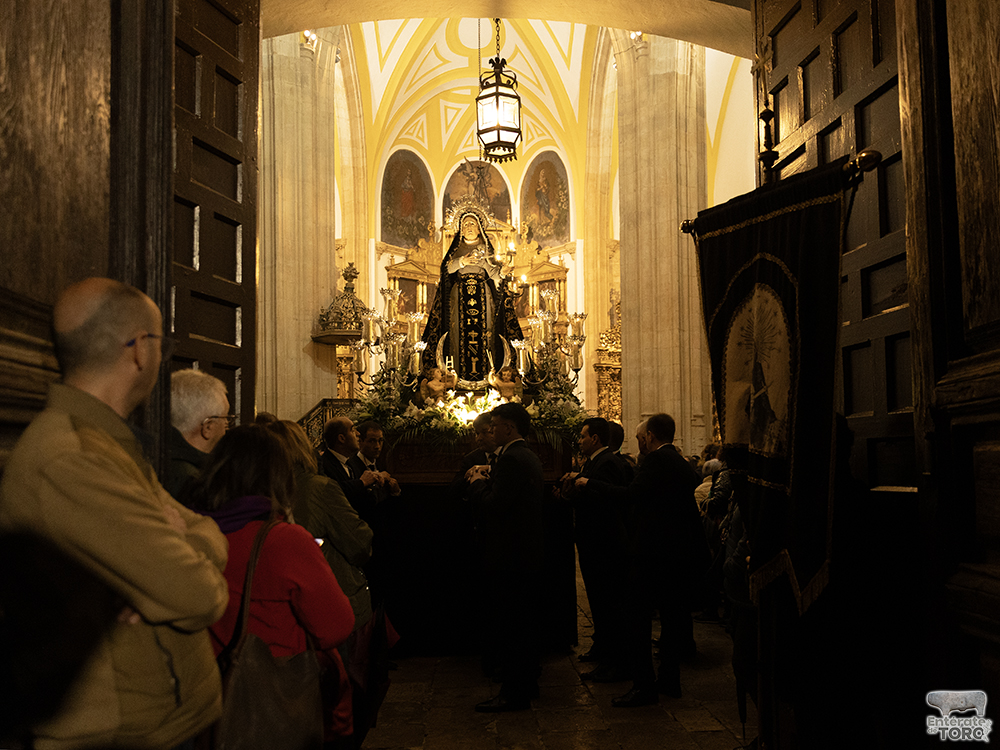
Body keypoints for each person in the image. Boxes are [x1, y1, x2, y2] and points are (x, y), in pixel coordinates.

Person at [0, 277, 229, 749]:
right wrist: (181, 554)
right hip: (123, 735)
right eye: (162, 344)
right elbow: (199, 594)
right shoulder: (73, 457)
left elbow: (202, 530)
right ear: (141, 349)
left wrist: (172, 554)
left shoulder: (106, 442)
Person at [185, 425, 356, 745]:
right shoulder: (283, 540)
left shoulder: (190, 530)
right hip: (274, 698)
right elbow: (336, 626)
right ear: (278, 476)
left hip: (205, 695)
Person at [577, 413, 706, 706]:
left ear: (650, 436)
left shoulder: (657, 462)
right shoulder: (683, 464)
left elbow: (630, 495)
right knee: (672, 622)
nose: (639, 444)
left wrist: (589, 484)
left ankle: (644, 686)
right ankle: (670, 680)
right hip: (678, 554)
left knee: (636, 620)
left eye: (640, 438)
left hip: (653, 555)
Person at [464, 403, 544, 712]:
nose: (491, 430)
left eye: (494, 425)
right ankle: (527, 684)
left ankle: (513, 693)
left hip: (511, 557)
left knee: (512, 627)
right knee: (524, 626)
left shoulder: (511, 459)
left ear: (509, 428)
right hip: (526, 554)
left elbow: (495, 504)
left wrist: (476, 483)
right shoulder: (527, 455)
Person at [560, 417, 632, 681]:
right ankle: (603, 649)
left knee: (608, 604)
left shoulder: (609, 462)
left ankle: (613, 662)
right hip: (593, 543)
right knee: (599, 603)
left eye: (582, 436)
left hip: (605, 544)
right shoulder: (593, 462)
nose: (579, 441)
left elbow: (612, 498)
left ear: (596, 439)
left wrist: (583, 484)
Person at [421, 208, 523, 383]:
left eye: (473, 224)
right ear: (460, 229)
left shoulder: (486, 250)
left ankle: (486, 376)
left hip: (484, 297)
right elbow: (446, 270)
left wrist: (503, 272)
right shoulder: (455, 250)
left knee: (486, 333)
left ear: (479, 229)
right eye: (465, 224)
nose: (469, 227)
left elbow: (493, 274)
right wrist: (462, 262)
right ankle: (457, 377)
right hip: (458, 298)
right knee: (457, 333)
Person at [166, 368, 231, 501]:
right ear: (208, 427)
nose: (227, 427)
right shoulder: (192, 484)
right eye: (226, 418)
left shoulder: (151, 458)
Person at [319, 416, 381, 516]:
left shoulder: (352, 463)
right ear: (341, 438)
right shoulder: (323, 464)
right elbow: (335, 492)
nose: (358, 434)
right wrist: (361, 482)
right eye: (352, 430)